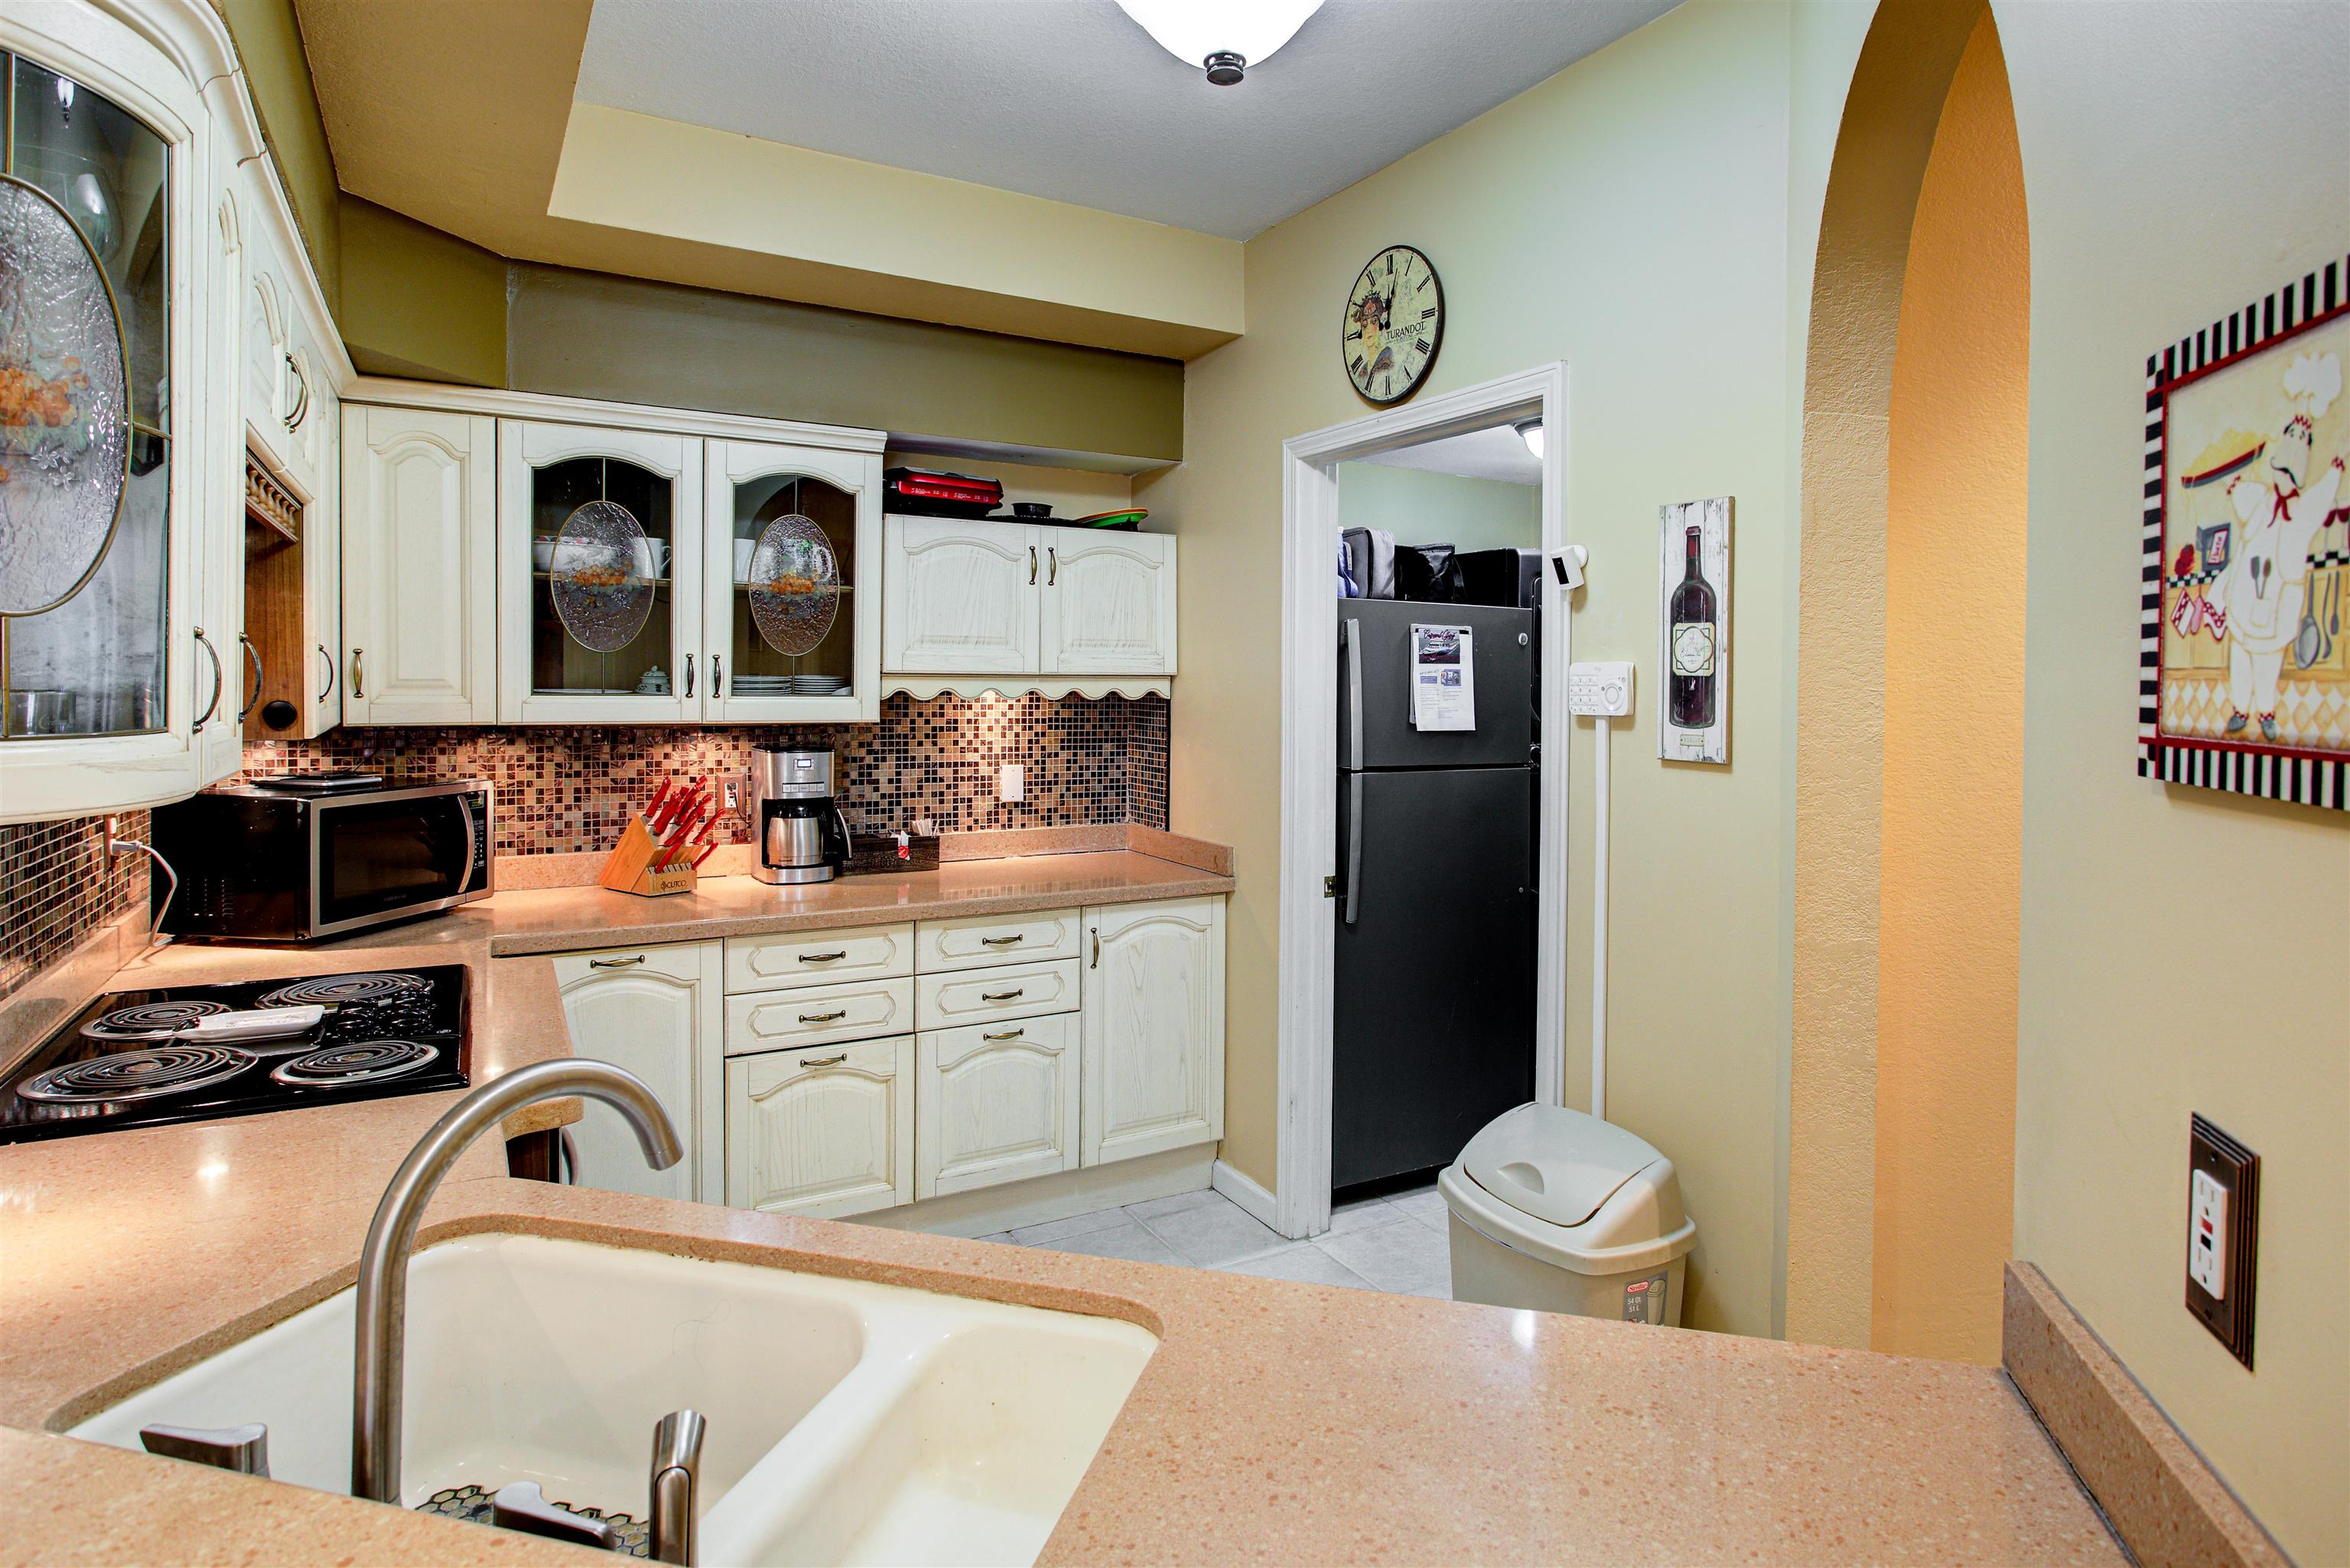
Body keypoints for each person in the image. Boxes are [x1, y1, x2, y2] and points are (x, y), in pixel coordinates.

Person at [2214, 412, 2343, 741]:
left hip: (2276, 605)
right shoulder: (2261, 498)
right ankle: (2241, 708)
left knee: (2268, 662)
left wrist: (2334, 472)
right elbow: (2243, 498)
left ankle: (2266, 711)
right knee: (2240, 657)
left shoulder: (2302, 511)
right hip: (2245, 601)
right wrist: (2233, 488)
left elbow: (2322, 496)